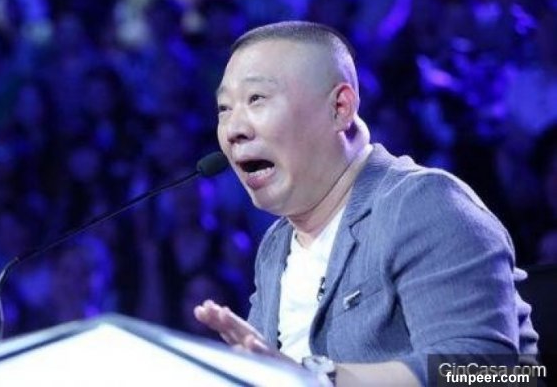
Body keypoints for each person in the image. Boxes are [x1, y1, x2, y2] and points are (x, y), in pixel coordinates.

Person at [194, 21, 539, 386]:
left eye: (256, 99)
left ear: (340, 107)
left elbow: (484, 372)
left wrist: (316, 378)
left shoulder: (422, 204)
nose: (233, 129)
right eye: (224, 108)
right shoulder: (275, 246)